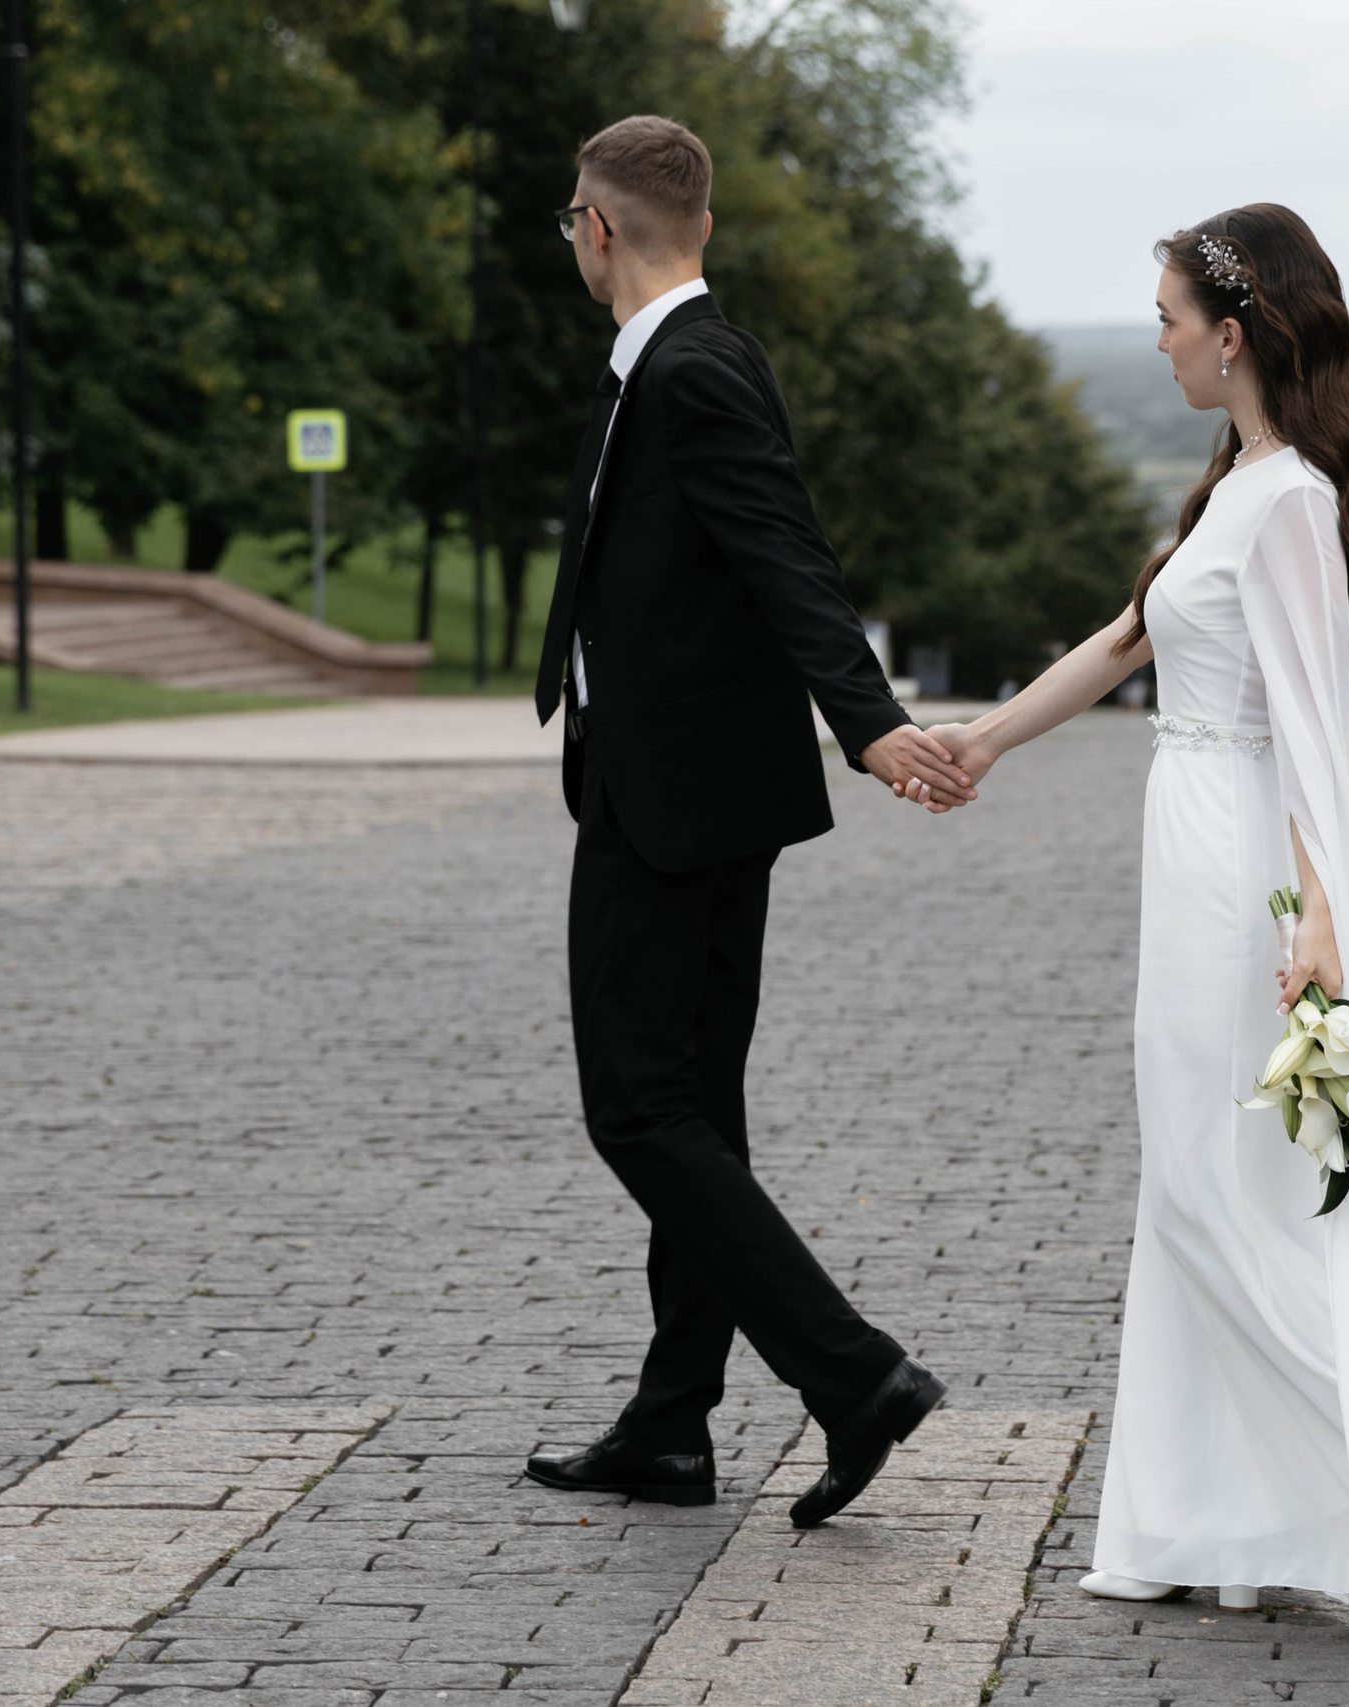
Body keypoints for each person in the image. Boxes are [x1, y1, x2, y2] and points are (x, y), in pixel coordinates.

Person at [917, 206, 1349, 1650]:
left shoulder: (1289, 505)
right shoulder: (1237, 486)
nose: (1153, 337)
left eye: (1166, 315)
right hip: (1188, 837)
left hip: (1242, 860)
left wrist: (1324, 911)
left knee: (1222, 1185)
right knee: (1189, 1171)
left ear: (1234, 332)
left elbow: (1318, 725)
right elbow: (1127, 639)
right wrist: (984, 743)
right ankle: (1214, 1519)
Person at [522, 115, 968, 1528]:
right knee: (697, 1112)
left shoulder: (693, 367)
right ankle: (670, 1421)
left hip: (672, 807)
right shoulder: (689, 357)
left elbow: (787, 550)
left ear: (598, 233)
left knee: (639, 1111)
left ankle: (853, 1376)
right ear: (698, 226)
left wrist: (872, 719)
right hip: (699, 794)